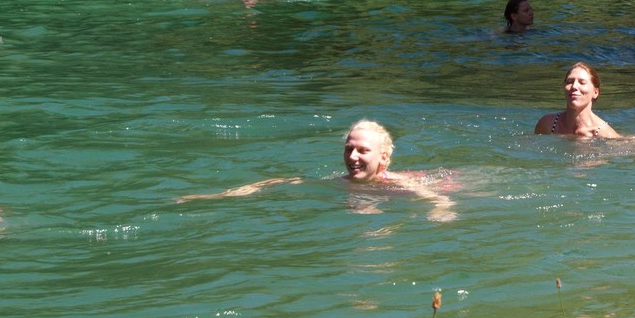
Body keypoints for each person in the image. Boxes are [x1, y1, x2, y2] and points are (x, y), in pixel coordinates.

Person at [179, 120, 456, 220]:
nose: (353, 156)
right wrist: (224, 195)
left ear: (383, 158)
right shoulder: (339, 181)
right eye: (349, 149)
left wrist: (440, 210)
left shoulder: (396, 185)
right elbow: (282, 182)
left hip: (448, 181)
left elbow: (436, 198)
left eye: (362, 150)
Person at [534, 62, 621, 139]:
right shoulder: (547, 124)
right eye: (569, 81)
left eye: (582, 82)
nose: (574, 86)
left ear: (595, 92)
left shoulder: (604, 134)